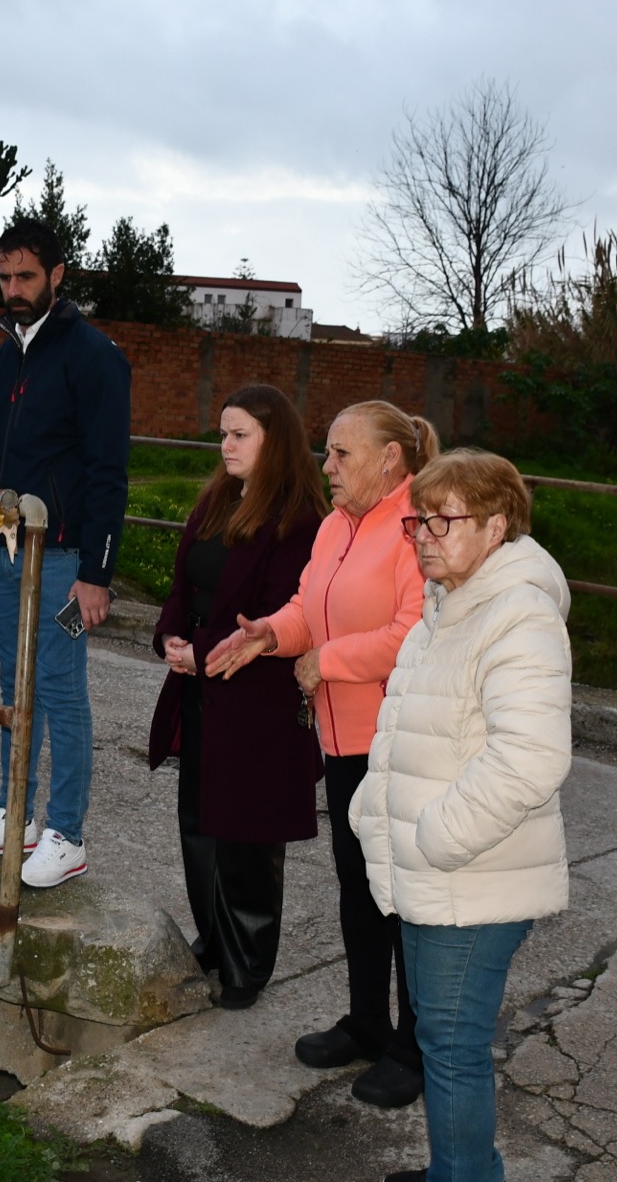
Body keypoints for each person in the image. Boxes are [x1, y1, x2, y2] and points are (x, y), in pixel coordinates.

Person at [206, 399, 437, 1107]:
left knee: (404, 899)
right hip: (340, 740)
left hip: (399, 741)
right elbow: (308, 607)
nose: (326, 465)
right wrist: (269, 634)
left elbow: (415, 631)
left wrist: (326, 661)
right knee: (358, 888)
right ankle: (367, 1022)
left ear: (390, 459)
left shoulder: (418, 525)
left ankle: (415, 1046)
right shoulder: (337, 523)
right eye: (327, 451)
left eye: (342, 453)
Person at [351, 448, 572, 1182]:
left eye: (443, 520)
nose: (423, 535)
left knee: (451, 1047)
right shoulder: (444, 609)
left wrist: (436, 837)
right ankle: (462, 1168)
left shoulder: (518, 617)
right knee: (444, 1042)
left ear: (496, 525)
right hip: (436, 874)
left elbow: (530, 758)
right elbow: (407, 731)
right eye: (418, 520)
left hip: (471, 877)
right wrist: (372, 810)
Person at [0, 217, 131, 889]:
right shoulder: (3, 358)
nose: (14, 288)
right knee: (11, 687)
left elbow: (110, 472)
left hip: (61, 557)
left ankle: (67, 834)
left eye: (26, 276)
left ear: (56, 275)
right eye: (4, 277)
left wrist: (97, 573)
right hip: (3, 553)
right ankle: (16, 815)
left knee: (60, 689)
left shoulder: (95, 356)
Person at [148, 384, 328, 1009]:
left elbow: (278, 613)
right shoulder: (218, 499)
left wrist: (201, 652)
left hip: (257, 697)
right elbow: (184, 583)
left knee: (248, 834)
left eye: (239, 434)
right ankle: (214, 938)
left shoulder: (300, 521)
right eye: (222, 433)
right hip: (200, 687)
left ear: (274, 441)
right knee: (199, 822)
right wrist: (171, 636)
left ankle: (247, 964)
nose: (225, 445)